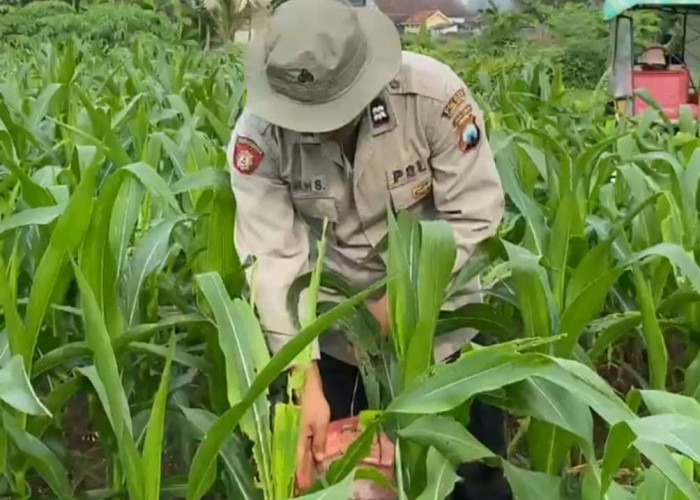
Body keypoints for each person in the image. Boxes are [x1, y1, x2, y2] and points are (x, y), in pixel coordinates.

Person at [227, 0, 508, 498]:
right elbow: (270, 261)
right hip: (335, 350)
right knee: (345, 482)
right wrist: (302, 378)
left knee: (472, 483)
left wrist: (398, 305)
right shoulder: (258, 141)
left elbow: (475, 218)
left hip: (444, 335)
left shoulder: (434, 98)